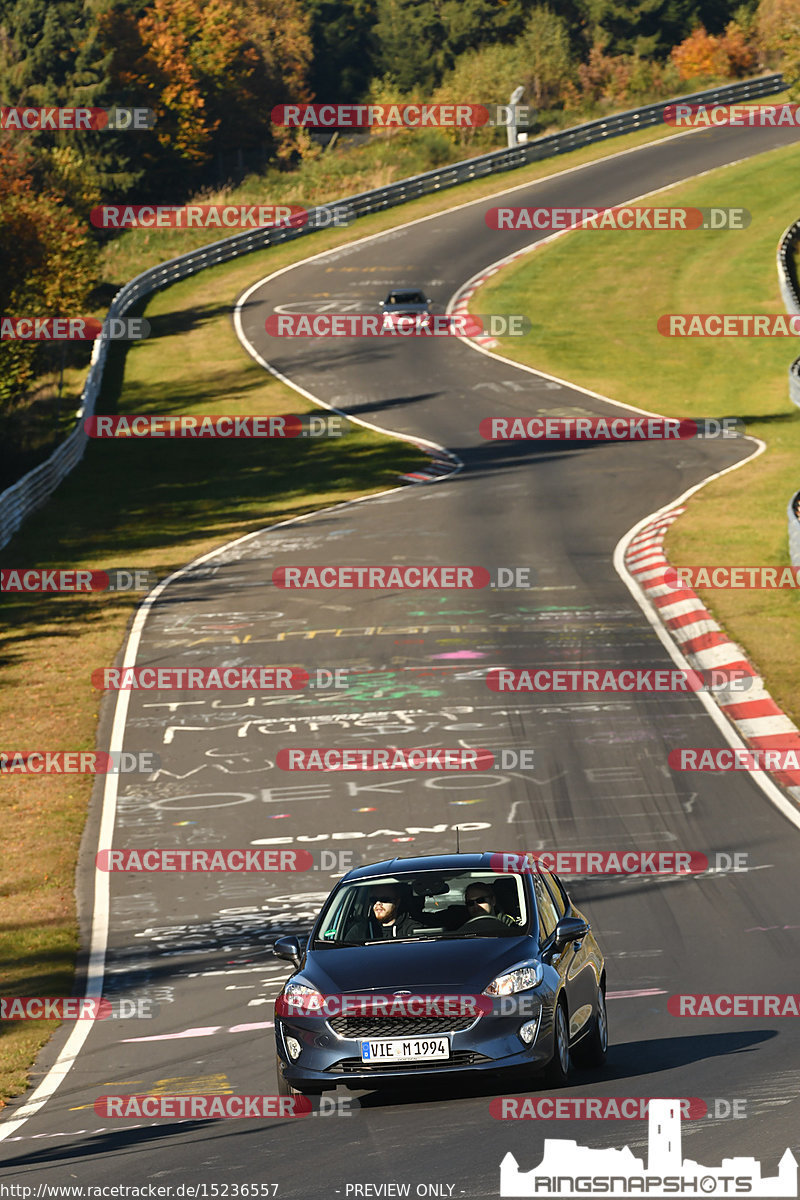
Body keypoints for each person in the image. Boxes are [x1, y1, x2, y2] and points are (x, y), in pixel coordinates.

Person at [345, 884, 417, 941]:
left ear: (397, 902)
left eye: (384, 899)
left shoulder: (412, 929)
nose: (378, 903)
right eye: (373, 900)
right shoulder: (360, 930)